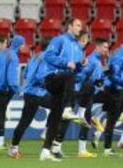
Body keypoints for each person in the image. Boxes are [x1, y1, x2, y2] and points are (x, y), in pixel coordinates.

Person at [38, 18, 84, 161]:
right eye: (77, 25)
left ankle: (45, 151)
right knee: (69, 76)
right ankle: (68, 107)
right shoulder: (59, 40)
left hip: (64, 84)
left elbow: (74, 69)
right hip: (52, 78)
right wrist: (66, 63)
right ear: (69, 26)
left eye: (80, 25)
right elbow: (48, 56)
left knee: (55, 118)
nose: (79, 28)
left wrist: (80, 65)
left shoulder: (77, 46)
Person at [8, 38, 54, 159]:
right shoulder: (48, 58)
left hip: (28, 92)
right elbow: (40, 76)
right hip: (38, 92)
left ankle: (13, 148)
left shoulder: (35, 56)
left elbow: (25, 74)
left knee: (24, 121)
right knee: (60, 107)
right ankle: (47, 132)